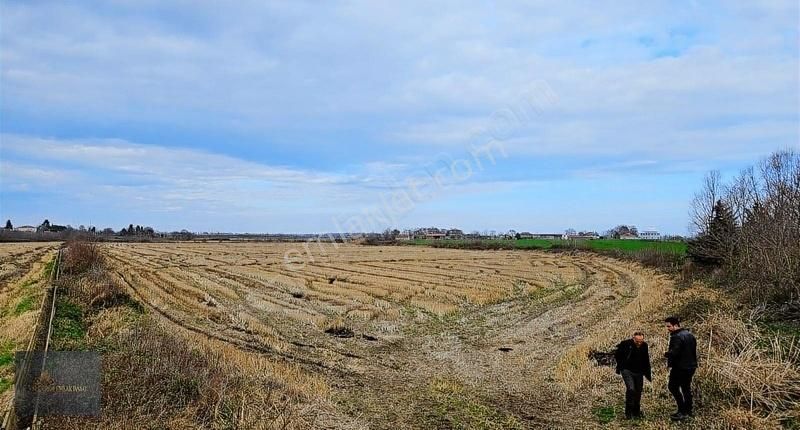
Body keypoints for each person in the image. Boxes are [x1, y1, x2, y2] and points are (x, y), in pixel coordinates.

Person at [664, 316, 698, 421]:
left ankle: (682, 410)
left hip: (680, 367)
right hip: (691, 366)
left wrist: (666, 354)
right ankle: (688, 411)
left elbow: (675, 352)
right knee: (686, 388)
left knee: (673, 387)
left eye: (669, 326)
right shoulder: (690, 335)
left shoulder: (676, 337)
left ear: (675, 325)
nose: (668, 328)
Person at [614, 331, 652, 419]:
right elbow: (617, 355)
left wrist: (647, 373)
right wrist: (621, 366)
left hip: (639, 371)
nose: (639, 343)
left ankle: (636, 412)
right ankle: (628, 413)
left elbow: (646, 359)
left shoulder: (644, 345)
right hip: (627, 370)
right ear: (633, 338)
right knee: (631, 389)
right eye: (637, 341)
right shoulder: (625, 344)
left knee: (638, 391)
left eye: (641, 341)